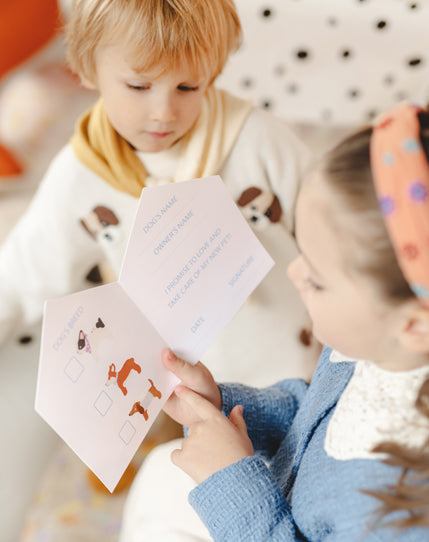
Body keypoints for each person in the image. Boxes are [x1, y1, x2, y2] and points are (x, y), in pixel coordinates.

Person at [88, 102, 429, 542]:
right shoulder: (384, 348)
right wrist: (221, 403)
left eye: (315, 276)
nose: (293, 274)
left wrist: (231, 477)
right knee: (162, 473)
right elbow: (317, 413)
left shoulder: (403, 532)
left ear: (413, 323)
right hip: (291, 523)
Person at [0, 0, 320, 388]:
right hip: (196, 396)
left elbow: (339, 235)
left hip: (305, 367)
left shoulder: (258, 142)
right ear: (88, 70)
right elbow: (23, 276)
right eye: (139, 86)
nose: (164, 112)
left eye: (188, 87)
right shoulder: (83, 173)